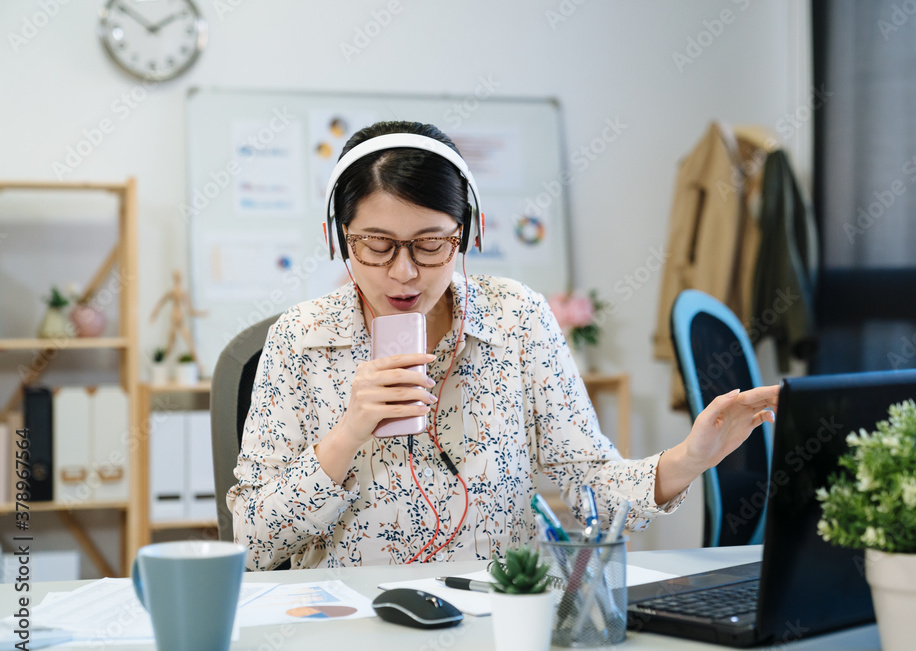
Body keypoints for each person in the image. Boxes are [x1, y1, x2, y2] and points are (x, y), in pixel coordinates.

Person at [227, 120, 778, 570]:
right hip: (346, 626)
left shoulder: (517, 319)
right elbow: (252, 542)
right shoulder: (300, 339)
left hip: (498, 620)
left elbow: (592, 486)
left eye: (431, 244)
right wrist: (347, 434)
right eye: (376, 245)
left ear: (468, 234)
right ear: (337, 237)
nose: (405, 272)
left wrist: (687, 459)